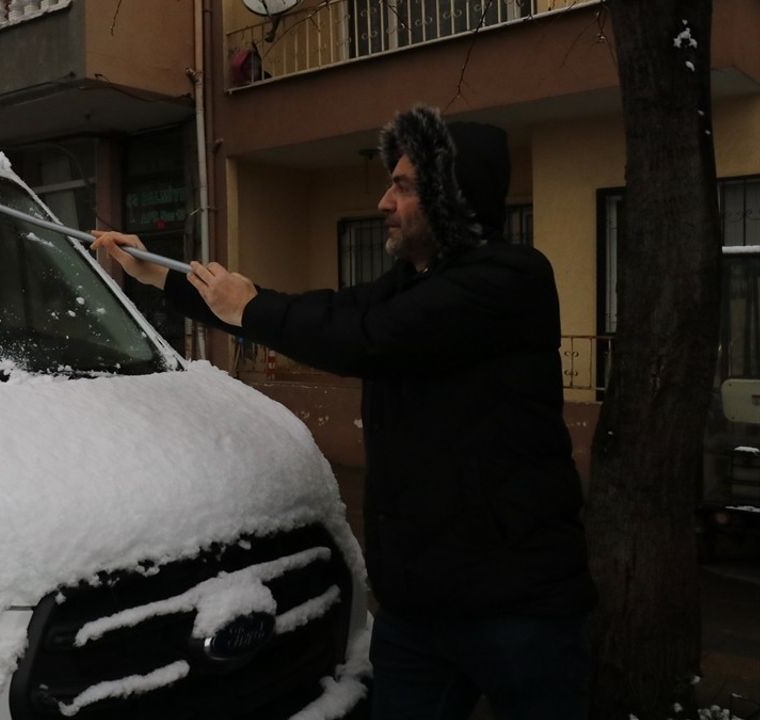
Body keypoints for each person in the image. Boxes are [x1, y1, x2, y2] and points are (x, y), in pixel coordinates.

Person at [91, 105, 597, 720]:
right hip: (419, 612)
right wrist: (159, 279)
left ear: (451, 197)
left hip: (518, 613)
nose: (384, 200)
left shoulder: (508, 280)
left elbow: (365, 336)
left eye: (404, 186)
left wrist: (249, 309)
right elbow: (322, 310)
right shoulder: (408, 283)